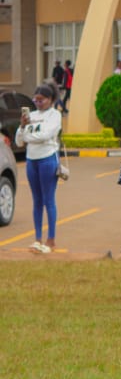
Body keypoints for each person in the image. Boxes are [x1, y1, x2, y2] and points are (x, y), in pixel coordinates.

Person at [16, 81, 63, 254]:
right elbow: (18, 141)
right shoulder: (31, 115)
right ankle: (37, 239)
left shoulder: (54, 115)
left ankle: (51, 239)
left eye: (41, 100)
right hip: (31, 160)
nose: (38, 103)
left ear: (50, 99)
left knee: (48, 199)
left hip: (47, 159)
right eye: (35, 100)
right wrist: (22, 126)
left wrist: (28, 136)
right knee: (36, 201)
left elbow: (47, 135)